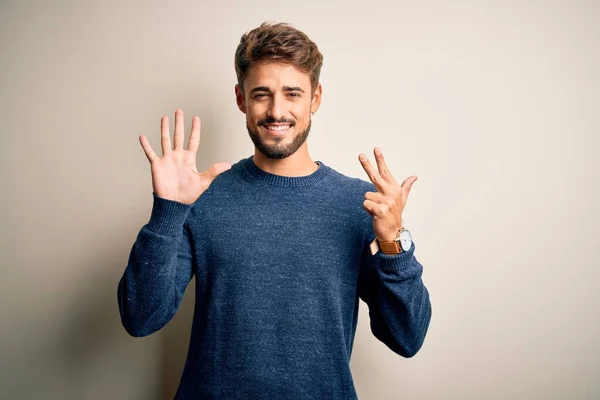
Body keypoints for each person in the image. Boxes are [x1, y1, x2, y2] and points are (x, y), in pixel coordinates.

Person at [117, 21, 432, 400]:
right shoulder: (204, 197)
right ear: (240, 99)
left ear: (315, 98)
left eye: (293, 94)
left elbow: (407, 337)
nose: (276, 111)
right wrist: (168, 212)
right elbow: (141, 318)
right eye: (262, 94)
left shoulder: (361, 205)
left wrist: (394, 242)